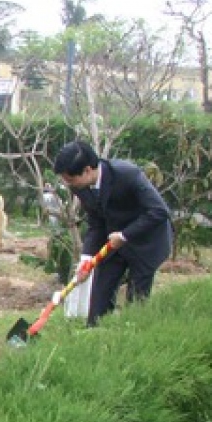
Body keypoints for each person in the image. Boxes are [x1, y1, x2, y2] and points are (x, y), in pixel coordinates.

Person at [53, 140, 173, 326]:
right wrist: (86, 259)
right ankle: (95, 334)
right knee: (100, 297)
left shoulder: (127, 174)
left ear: (87, 170)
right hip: (112, 242)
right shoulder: (81, 187)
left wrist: (125, 235)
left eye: (69, 179)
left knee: (136, 300)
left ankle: (133, 338)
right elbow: (96, 223)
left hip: (145, 242)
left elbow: (159, 211)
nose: (67, 183)